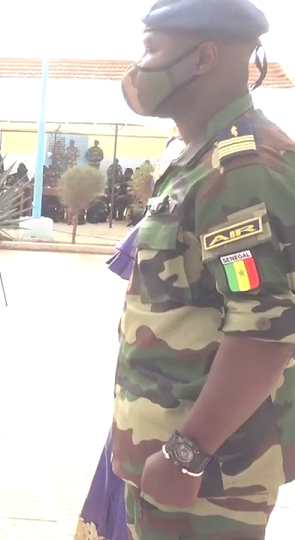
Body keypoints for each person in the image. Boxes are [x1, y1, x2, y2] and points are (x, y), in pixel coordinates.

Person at [113, 1, 295, 537]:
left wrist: (188, 453)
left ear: (204, 57)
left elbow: (264, 332)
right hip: (167, 456)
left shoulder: (241, 171)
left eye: (151, 49)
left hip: (209, 473)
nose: (139, 67)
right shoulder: (195, 155)